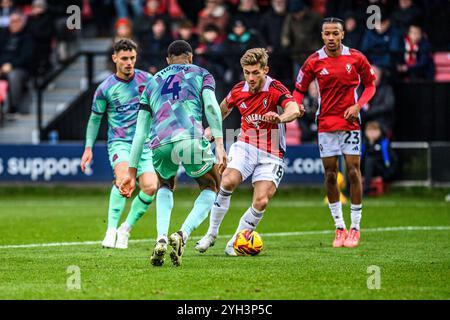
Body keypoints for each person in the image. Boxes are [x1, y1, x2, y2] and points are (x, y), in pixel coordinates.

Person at [120, 40, 227, 267]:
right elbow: (210, 106)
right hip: (190, 138)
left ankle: (160, 238)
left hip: (160, 143)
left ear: (167, 61)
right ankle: (183, 234)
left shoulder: (151, 82)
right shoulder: (202, 74)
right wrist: (219, 143)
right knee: (212, 186)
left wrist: (131, 172)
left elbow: (140, 133)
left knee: (164, 185)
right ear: (190, 58)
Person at [195, 48, 303, 256]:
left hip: (272, 152)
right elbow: (222, 110)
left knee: (261, 200)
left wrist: (280, 118)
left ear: (265, 70)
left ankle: (236, 242)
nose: (251, 78)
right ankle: (211, 233)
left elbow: (294, 109)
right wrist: (209, 132)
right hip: (246, 145)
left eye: (255, 72)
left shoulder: (275, 88)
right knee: (226, 181)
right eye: (247, 72)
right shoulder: (238, 90)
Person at [292, 18, 377, 248]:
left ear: (342, 35)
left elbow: (370, 85)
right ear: (322, 36)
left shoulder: (356, 58)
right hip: (326, 124)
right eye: (327, 33)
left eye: (335, 33)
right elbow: (299, 89)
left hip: (350, 123)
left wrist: (358, 106)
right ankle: (339, 227)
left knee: (353, 171)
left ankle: (355, 228)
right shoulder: (314, 61)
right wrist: (297, 105)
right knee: (330, 174)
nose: (331, 37)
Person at [80, 39, 158, 250]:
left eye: (132, 58)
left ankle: (125, 228)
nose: (129, 62)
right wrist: (88, 147)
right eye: (124, 59)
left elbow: (161, 109)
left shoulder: (148, 80)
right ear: (114, 58)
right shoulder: (105, 88)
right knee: (124, 180)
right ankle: (111, 230)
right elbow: (95, 119)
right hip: (120, 143)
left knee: (150, 187)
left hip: (145, 143)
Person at [361, 121, 397, 196]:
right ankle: (349, 190)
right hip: (364, 171)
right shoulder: (362, 144)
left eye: (374, 130)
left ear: (380, 132)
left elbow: (394, 161)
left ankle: (366, 191)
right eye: (369, 130)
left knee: (370, 160)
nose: (372, 133)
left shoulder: (384, 143)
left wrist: (385, 176)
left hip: (381, 171)